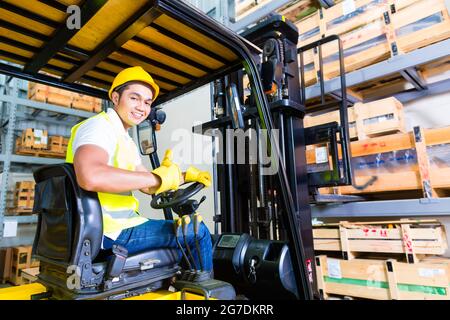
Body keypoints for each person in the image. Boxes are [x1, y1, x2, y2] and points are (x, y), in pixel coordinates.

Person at [65, 66, 213, 272]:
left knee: (185, 241)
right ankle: (207, 296)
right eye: (134, 98)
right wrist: (155, 179)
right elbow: (91, 175)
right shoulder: (99, 127)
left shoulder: (125, 139)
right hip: (110, 232)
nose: (141, 107)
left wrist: (183, 176)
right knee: (199, 232)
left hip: (117, 227)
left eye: (147, 102)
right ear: (115, 98)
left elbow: (147, 185)